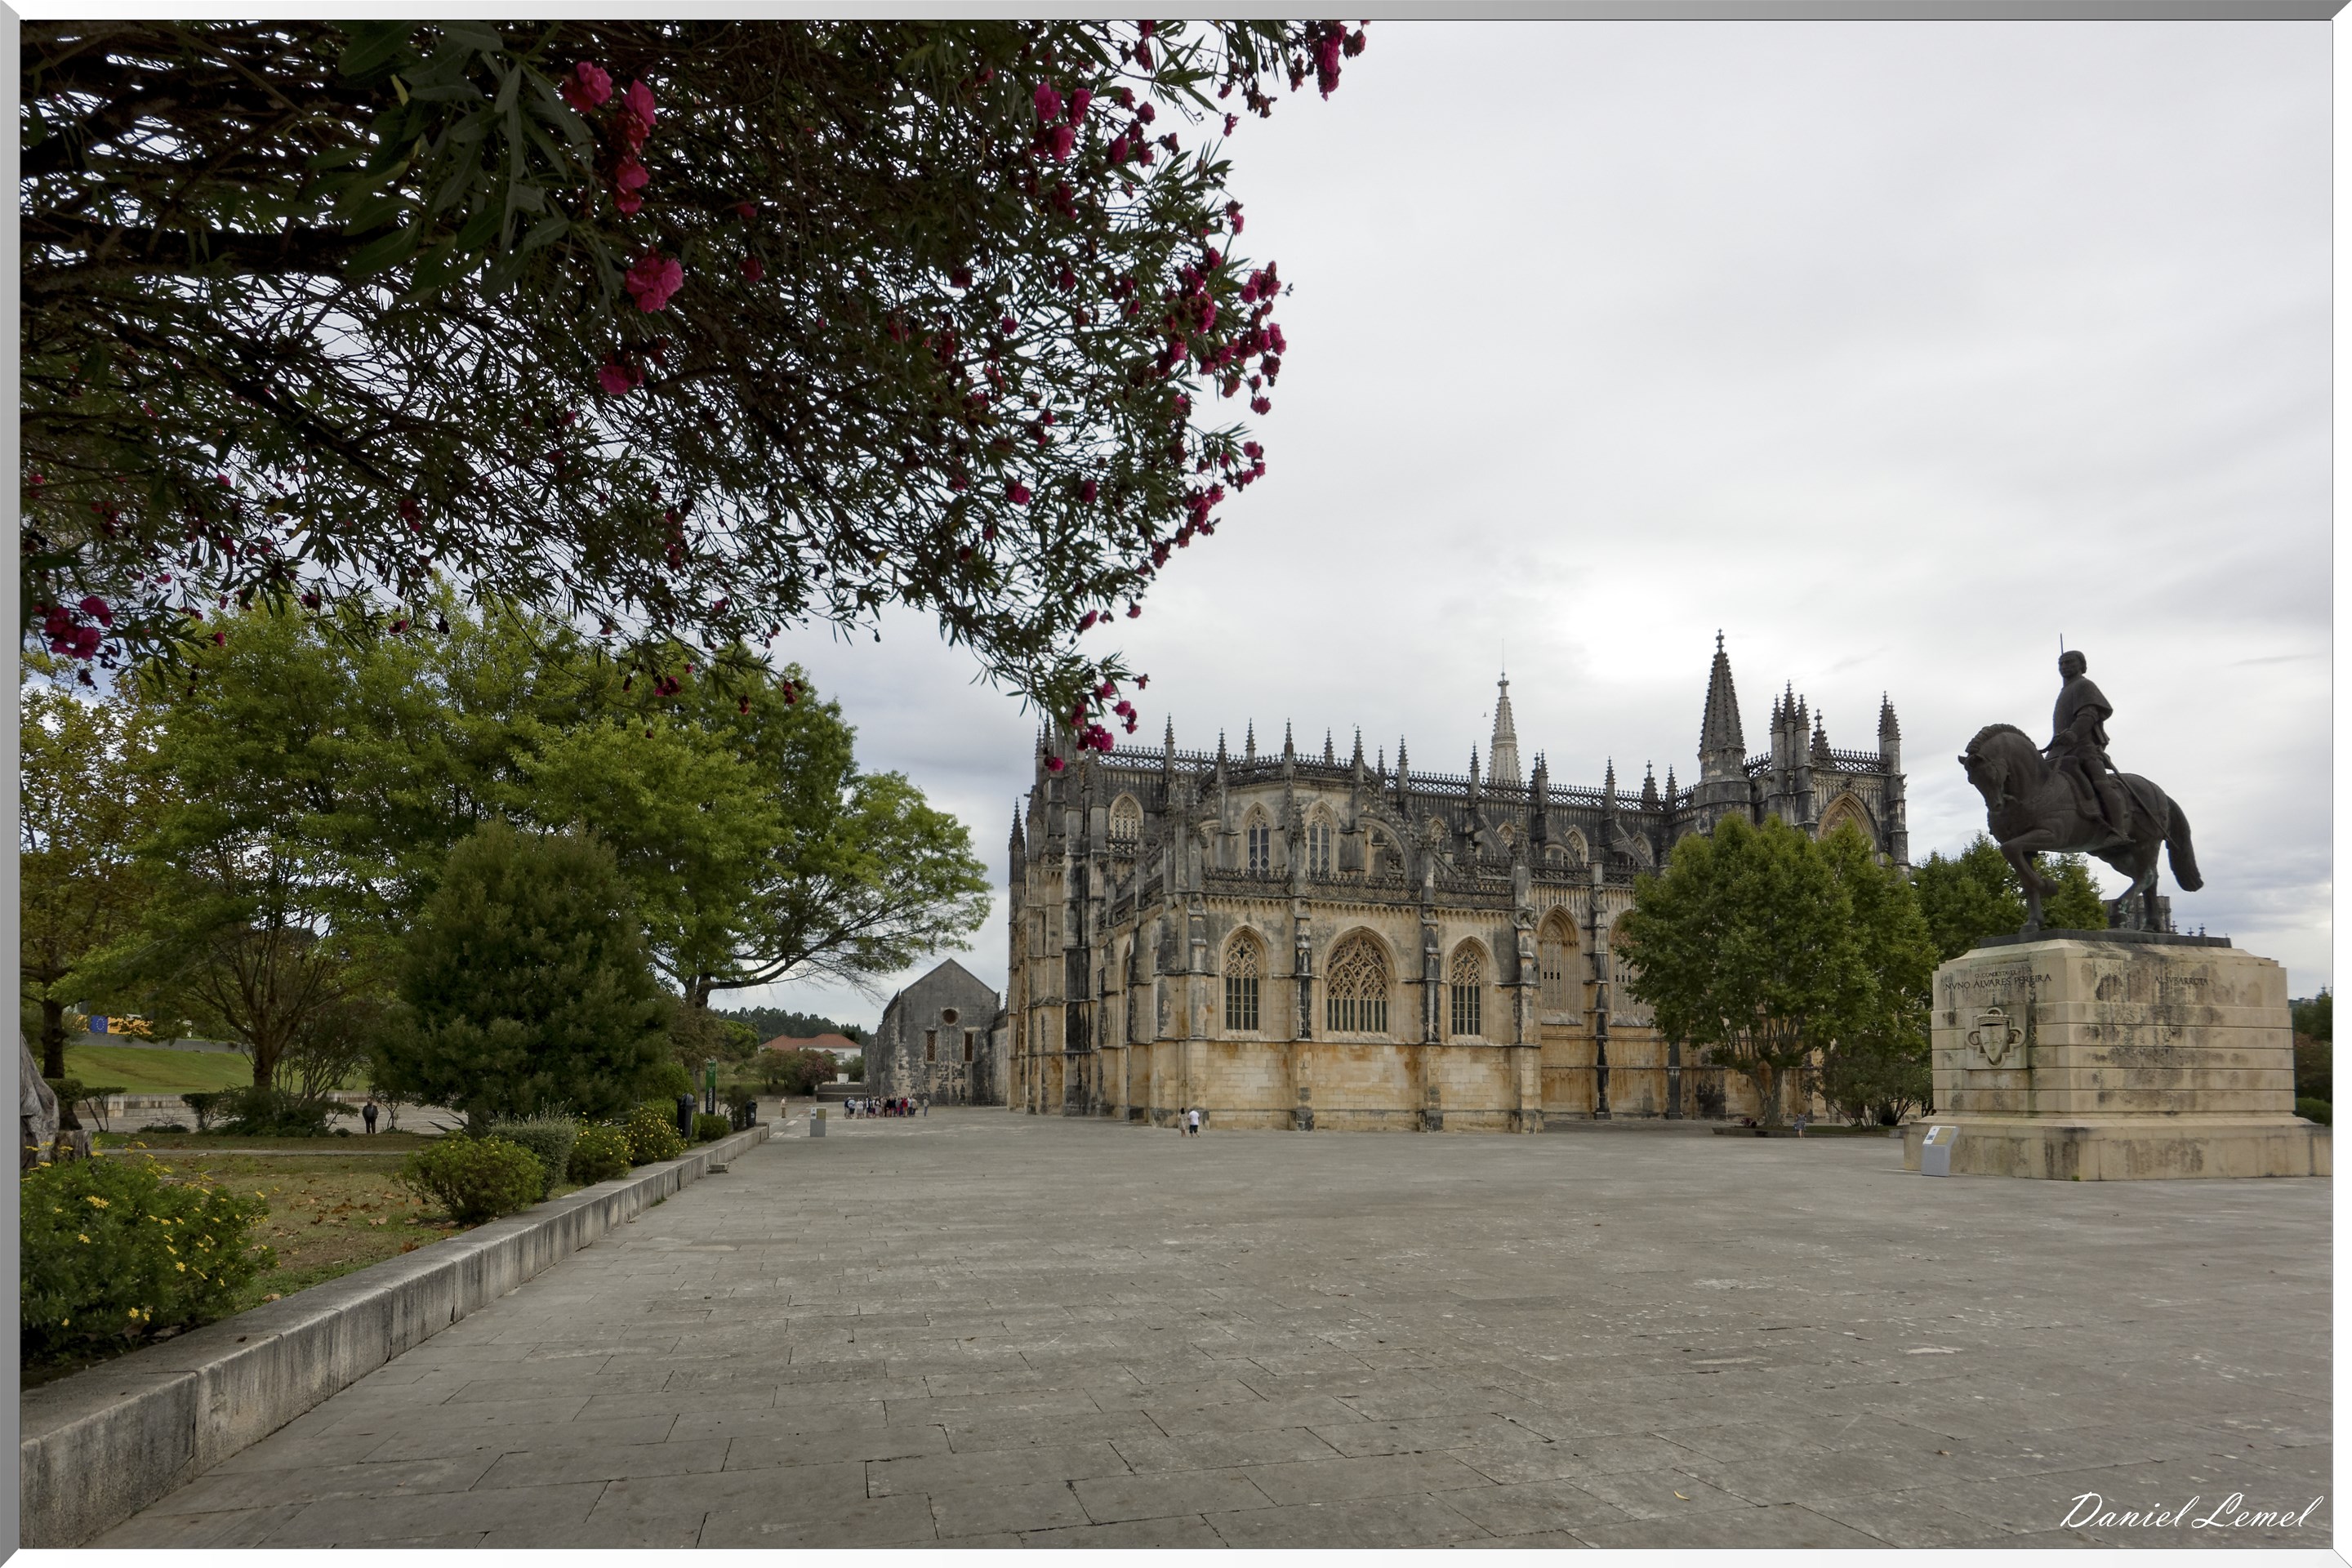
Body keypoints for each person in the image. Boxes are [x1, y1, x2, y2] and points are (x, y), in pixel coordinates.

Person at [2046, 649, 2127, 838]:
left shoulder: (2085, 686)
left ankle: (2119, 830)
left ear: (2082, 666)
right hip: (2059, 750)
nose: (2065, 666)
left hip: (2084, 747)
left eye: (2069, 662)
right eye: (2062, 663)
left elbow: (2089, 714)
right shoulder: (2064, 691)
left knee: (2101, 784)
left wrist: (2073, 733)